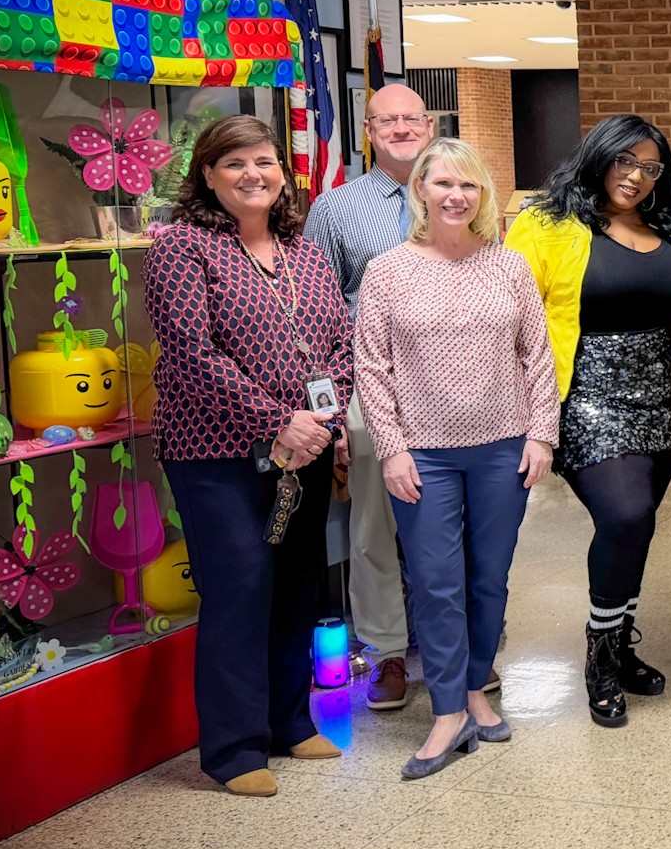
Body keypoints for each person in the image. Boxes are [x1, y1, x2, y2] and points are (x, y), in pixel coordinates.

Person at [145, 116, 351, 796]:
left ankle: (290, 722)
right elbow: (191, 355)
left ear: (281, 172)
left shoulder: (305, 250)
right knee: (240, 590)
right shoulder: (181, 247)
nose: (252, 174)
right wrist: (279, 421)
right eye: (234, 164)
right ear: (207, 175)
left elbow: (338, 347)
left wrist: (324, 419)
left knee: (296, 584)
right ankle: (235, 750)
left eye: (263, 161)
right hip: (218, 454)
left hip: (306, 451)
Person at [355, 139, 558, 779]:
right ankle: (447, 710)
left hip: (503, 448)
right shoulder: (387, 271)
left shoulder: (509, 267)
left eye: (468, 186)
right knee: (436, 582)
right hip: (422, 456)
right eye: (442, 183)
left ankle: (475, 689)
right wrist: (390, 449)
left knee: (487, 579)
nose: (455, 196)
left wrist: (540, 435)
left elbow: (537, 356)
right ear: (421, 189)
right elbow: (371, 366)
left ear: (482, 196)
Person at [506, 115, 671, 728]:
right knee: (625, 514)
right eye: (626, 161)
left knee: (636, 531)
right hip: (588, 395)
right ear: (600, 155)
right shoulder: (546, 223)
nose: (637, 177)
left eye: (650, 168)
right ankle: (598, 652)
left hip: (669, 400)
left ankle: (620, 646)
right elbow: (515, 319)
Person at [304, 83, 459, 712]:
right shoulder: (337, 209)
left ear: (429, 125)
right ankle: (390, 652)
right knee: (373, 525)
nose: (401, 128)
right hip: (372, 387)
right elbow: (314, 315)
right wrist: (331, 410)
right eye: (386, 120)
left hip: (455, 386)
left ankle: (461, 646)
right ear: (367, 130)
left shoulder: (459, 194)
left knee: (453, 521)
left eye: (411, 118)